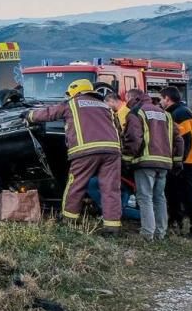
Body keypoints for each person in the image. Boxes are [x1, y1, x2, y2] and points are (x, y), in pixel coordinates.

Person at [27, 79, 123, 234]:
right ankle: (112, 227)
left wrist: (29, 116)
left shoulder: (72, 104)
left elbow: (49, 113)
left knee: (76, 184)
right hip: (112, 151)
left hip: (85, 150)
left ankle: (69, 219)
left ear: (76, 92)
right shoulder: (106, 106)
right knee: (111, 188)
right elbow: (118, 129)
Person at [122, 89, 180, 240]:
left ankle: (147, 234)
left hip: (145, 161)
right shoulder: (165, 114)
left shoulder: (137, 112)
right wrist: (177, 160)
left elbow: (134, 138)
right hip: (165, 162)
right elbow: (178, 139)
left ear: (132, 99)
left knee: (145, 197)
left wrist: (127, 158)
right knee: (159, 197)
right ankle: (161, 233)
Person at [159, 86, 192, 237]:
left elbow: (182, 141)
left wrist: (178, 162)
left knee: (187, 195)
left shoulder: (178, 114)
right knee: (176, 193)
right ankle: (178, 222)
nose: (160, 102)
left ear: (167, 98)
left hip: (187, 162)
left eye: (161, 99)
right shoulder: (187, 111)